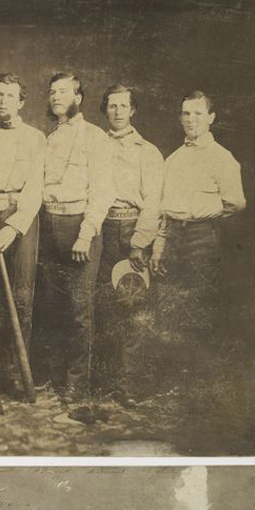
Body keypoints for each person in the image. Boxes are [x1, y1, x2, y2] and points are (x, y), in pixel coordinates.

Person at [41, 73, 115, 401]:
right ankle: (55, 377)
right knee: (53, 305)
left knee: (79, 309)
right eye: (52, 92)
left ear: (79, 97)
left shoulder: (96, 137)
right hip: (49, 226)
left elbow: (103, 190)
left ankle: (76, 383)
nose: (56, 97)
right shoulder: (50, 138)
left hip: (80, 228)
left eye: (63, 92)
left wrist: (86, 235)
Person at [0, 73, 45, 399]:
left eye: (10, 95)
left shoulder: (36, 138)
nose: (3, 100)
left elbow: (36, 187)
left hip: (21, 216)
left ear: (21, 101)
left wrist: (15, 226)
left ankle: (18, 373)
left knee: (21, 297)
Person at [150, 90, 246, 336]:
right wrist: (160, 244)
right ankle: (170, 368)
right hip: (171, 236)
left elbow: (235, 204)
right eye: (186, 113)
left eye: (198, 113)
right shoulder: (172, 160)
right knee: (167, 305)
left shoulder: (223, 159)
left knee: (198, 306)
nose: (191, 119)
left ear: (211, 118)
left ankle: (193, 370)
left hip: (202, 238)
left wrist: (203, 218)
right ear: (180, 118)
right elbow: (164, 208)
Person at [95, 84, 164, 401]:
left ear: (133, 110)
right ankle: (103, 382)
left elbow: (154, 202)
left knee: (133, 306)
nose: (117, 111)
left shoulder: (147, 151)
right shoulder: (94, 145)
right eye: (111, 106)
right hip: (99, 229)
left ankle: (128, 385)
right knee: (102, 305)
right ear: (105, 109)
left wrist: (139, 242)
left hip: (131, 231)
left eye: (123, 106)